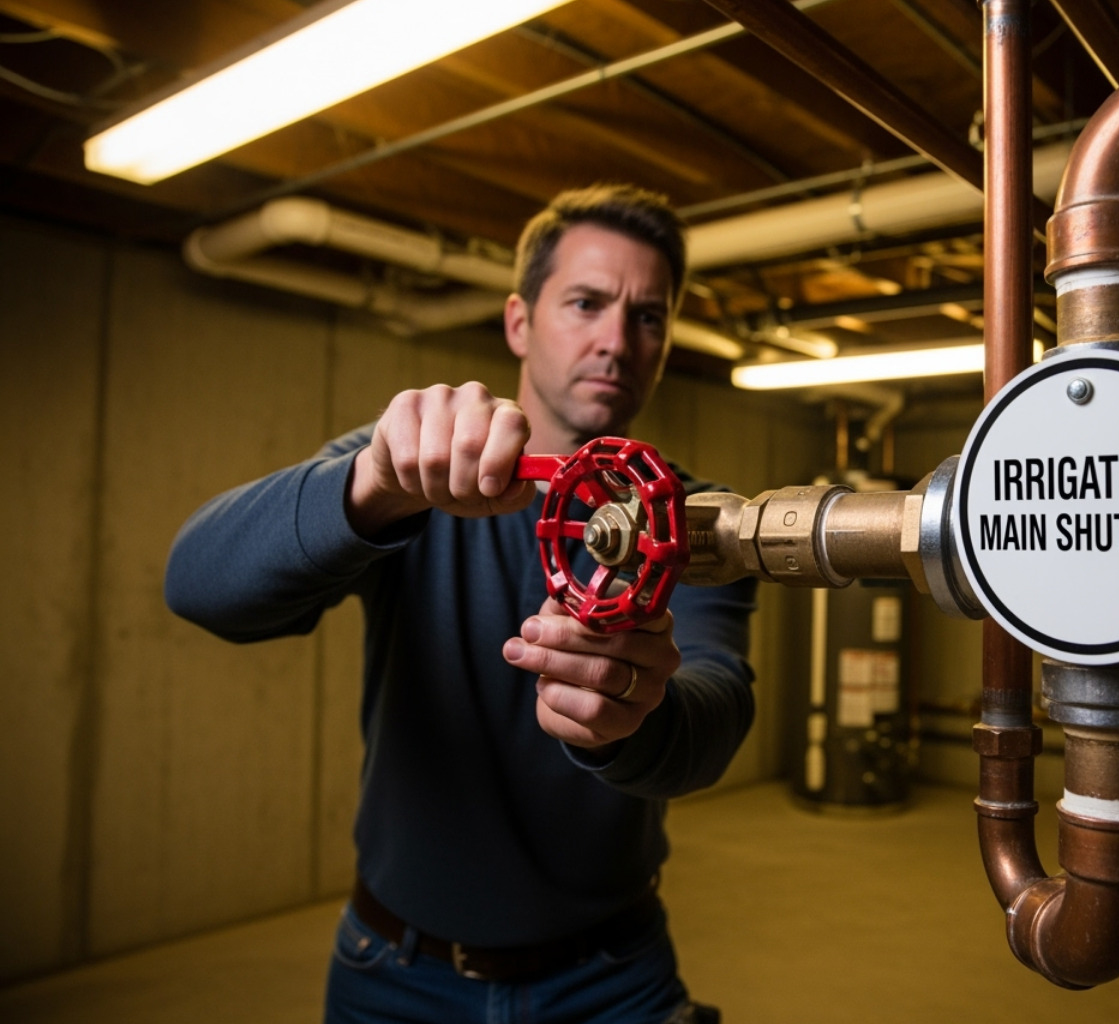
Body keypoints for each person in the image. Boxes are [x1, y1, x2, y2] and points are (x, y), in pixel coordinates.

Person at [165, 184, 757, 1024]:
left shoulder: (698, 522)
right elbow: (196, 585)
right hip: (395, 972)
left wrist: (636, 715)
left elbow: (717, 711)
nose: (618, 341)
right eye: (586, 303)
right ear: (519, 321)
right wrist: (367, 487)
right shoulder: (404, 475)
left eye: (649, 316)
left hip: (612, 976)